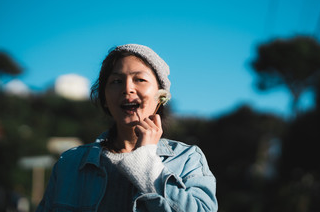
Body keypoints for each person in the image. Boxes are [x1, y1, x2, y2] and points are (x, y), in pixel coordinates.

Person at [36, 44, 218, 211]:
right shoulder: (69, 163)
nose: (128, 88)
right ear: (105, 99)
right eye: (116, 81)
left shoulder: (187, 159)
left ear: (161, 95)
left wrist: (146, 159)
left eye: (139, 79)